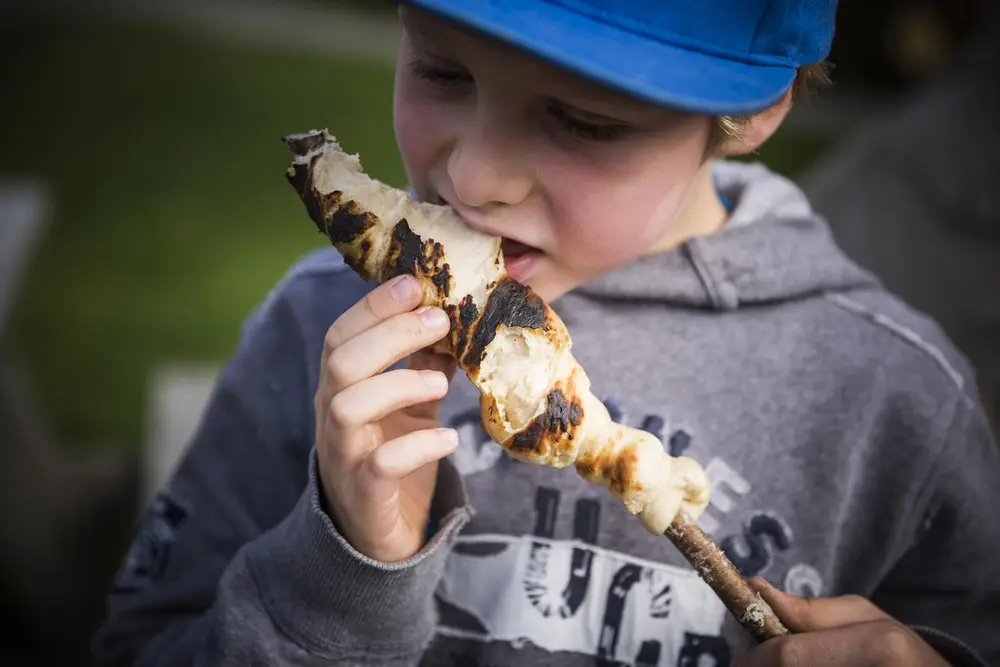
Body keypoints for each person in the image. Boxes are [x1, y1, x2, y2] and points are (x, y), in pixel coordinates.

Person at [93, 1, 1000, 665]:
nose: (476, 177)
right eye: (443, 70)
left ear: (755, 111)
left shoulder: (895, 398)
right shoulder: (318, 328)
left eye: (585, 121)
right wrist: (340, 575)